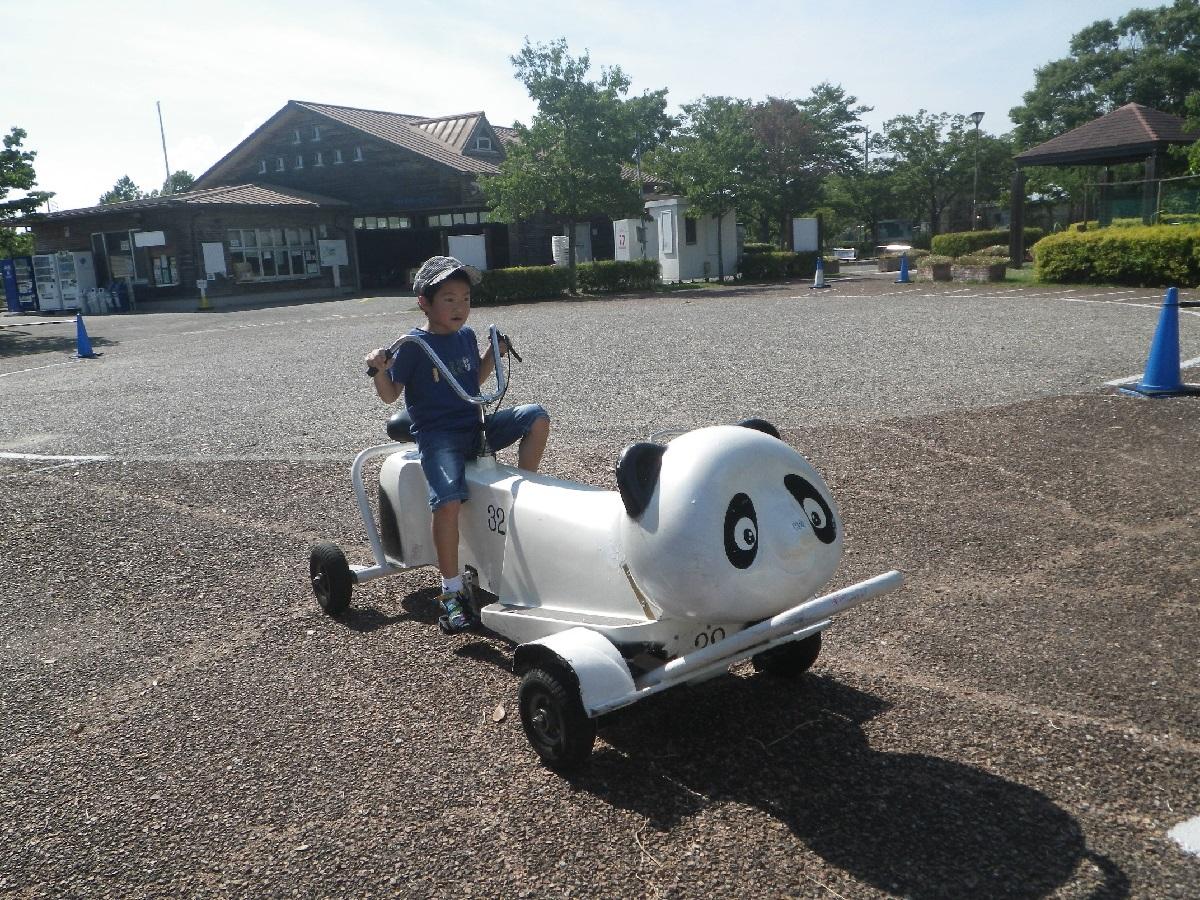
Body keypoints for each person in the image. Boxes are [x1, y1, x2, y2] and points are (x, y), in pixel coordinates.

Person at [366, 256, 550, 633]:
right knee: (448, 501)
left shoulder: (466, 336)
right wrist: (379, 369)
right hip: (439, 437)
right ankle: (450, 592)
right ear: (424, 302)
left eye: (465, 299)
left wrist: (490, 354)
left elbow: (472, 382)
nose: (460, 308)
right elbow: (390, 396)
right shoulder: (414, 345)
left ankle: (522, 496)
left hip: (474, 425)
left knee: (536, 416)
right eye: (449, 299)